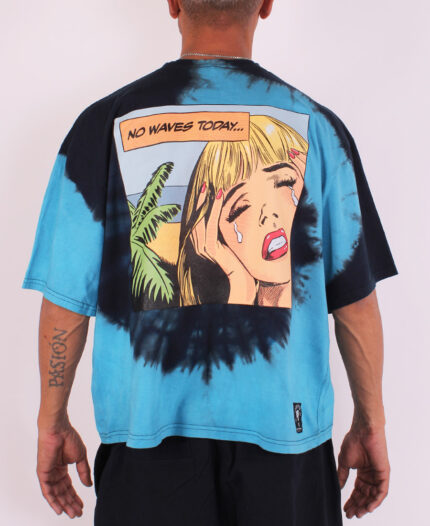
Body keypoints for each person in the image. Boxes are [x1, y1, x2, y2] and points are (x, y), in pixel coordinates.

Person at [21, 0, 399, 524]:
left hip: (145, 446)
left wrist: (51, 421)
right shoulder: (319, 128)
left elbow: (65, 303)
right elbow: (355, 304)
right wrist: (371, 424)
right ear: (266, 5)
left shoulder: (102, 124)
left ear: (173, 4)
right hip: (287, 448)